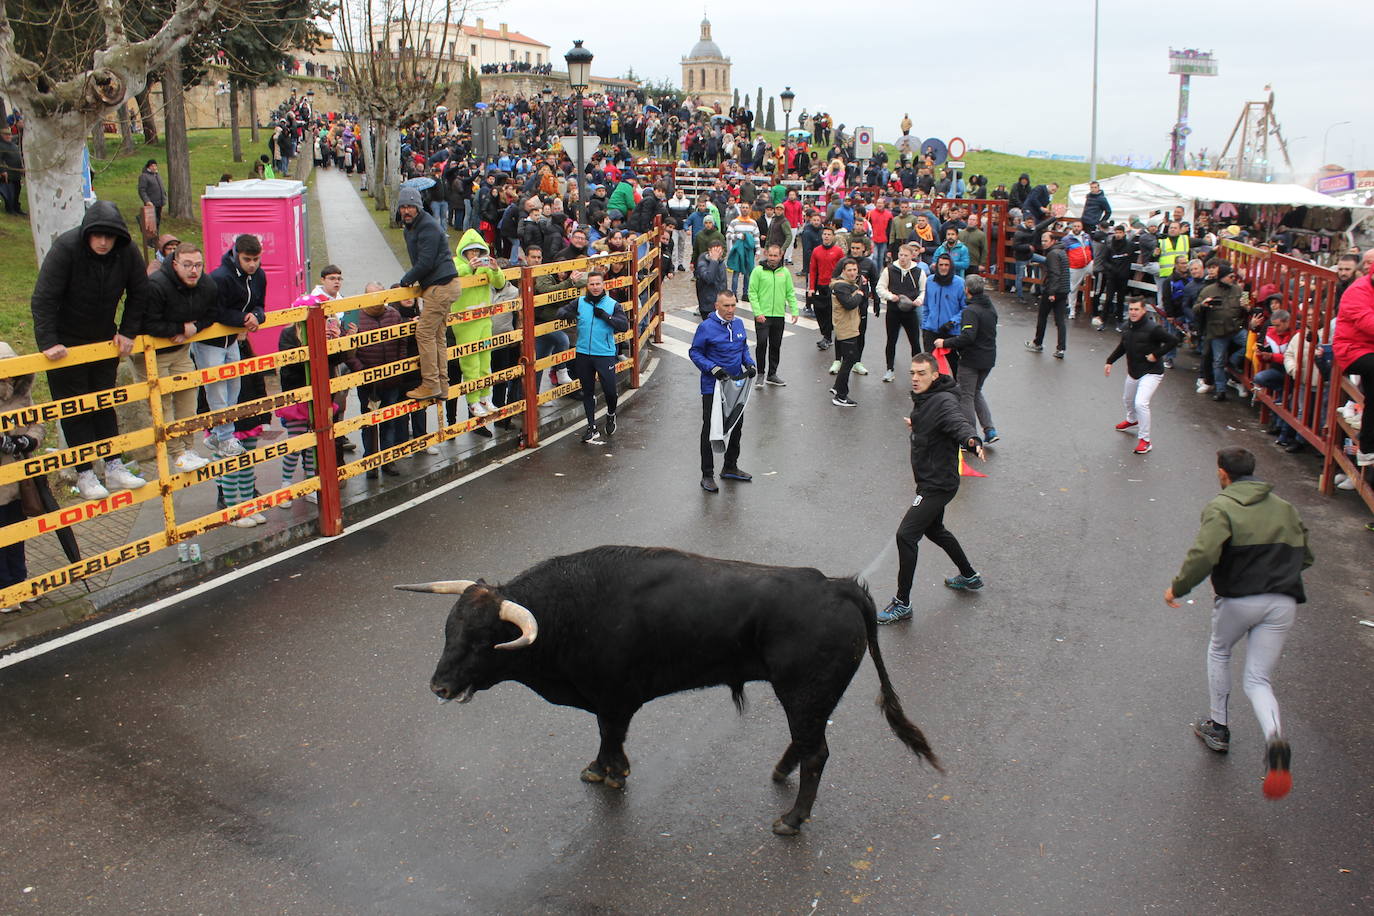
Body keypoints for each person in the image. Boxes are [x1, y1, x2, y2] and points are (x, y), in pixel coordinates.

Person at [1165, 446, 1311, 800]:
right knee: (1259, 679)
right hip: (1283, 601)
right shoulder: (1284, 508)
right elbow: (1306, 555)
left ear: (1222, 472)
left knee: (1220, 650)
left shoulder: (1222, 507)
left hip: (1240, 599)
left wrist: (1178, 588)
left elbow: (1204, 555)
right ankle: (1275, 739)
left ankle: (1218, 728)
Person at [30, 201, 149, 500]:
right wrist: (48, 341)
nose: (104, 241)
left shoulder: (127, 252)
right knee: (75, 408)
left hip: (102, 341)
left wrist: (127, 331)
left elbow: (140, 292)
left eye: (110, 236)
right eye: (98, 235)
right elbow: (43, 297)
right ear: (87, 233)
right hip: (65, 344)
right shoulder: (66, 248)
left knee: (103, 402)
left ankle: (113, 464)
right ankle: (84, 473)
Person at [879, 353, 986, 624]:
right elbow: (937, 425)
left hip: (937, 484)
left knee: (906, 535)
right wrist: (917, 425)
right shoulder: (927, 398)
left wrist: (972, 440)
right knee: (935, 530)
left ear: (935, 375)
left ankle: (902, 603)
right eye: (913, 373)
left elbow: (956, 422)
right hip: (933, 479)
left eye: (921, 373)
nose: (915, 378)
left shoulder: (943, 401)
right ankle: (969, 576)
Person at [137, 242, 219, 472]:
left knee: (188, 399)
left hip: (180, 350)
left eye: (198, 265)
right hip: (151, 354)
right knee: (162, 405)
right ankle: (177, 454)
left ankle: (188, 448)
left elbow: (212, 312)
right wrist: (178, 328)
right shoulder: (157, 285)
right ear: (174, 264)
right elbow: (146, 323)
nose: (194, 271)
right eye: (187, 265)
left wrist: (195, 327)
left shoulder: (206, 284)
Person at [395, 185, 461, 401]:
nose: (406, 211)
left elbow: (425, 261)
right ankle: (442, 385)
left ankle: (431, 384)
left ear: (418, 207)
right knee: (438, 335)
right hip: (441, 285)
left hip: (440, 286)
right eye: (403, 207)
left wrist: (406, 280)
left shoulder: (428, 227)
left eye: (410, 207)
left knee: (424, 333)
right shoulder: (413, 227)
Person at [689, 290, 755, 492]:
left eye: (734, 305)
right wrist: (713, 368)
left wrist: (749, 364)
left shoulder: (738, 324)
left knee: (736, 426)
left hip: (735, 386)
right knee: (711, 430)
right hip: (713, 387)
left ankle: (730, 467)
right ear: (717, 305)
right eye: (726, 306)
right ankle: (707, 474)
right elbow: (695, 352)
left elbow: (743, 347)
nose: (731, 310)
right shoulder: (706, 327)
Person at [557, 269, 628, 444]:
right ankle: (592, 427)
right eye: (592, 284)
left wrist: (605, 316)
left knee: (610, 391)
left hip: (604, 354)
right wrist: (569, 315)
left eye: (598, 283)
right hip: (583, 353)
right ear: (587, 286)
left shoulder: (612, 304)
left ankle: (611, 414)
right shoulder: (580, 302)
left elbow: (624, 325)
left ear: (603, 285)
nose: (595, 287)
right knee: (587, 391)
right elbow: (560, 312)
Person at [1104, 296, 1179, 455]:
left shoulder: (1153, 328)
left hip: (1152, 372)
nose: (1133, 312)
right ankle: (1132, 420)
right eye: (1131, 309)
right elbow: (1123, 346)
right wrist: (1110, 361)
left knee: (1140, 403)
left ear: (1144, 310)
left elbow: (1173, 340)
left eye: (1136, 309)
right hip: (1134, 371)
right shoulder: (1126, 327)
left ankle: (1145, 440)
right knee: (1128, 399)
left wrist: (1156, 354)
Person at [0, 341, 43, 612]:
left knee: (17, 531)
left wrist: (28, 440)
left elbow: (38, 421)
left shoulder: (22, 390)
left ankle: (20, 582)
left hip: (18, 477)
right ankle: (5, 590)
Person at [934, 275, 999, 443]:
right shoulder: (990, 307)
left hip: (972, 359)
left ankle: (970, 436)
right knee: (976, 392)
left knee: (966, 395)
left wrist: (945, 342)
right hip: (988, 357)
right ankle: (990, 430)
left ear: (967, 290)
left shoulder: (970, 311)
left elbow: (968, 337)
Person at [451, 230, 506, 419]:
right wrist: (468, 268)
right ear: (464, 251)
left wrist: (495, 268)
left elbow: (500, 283)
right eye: (470, 251)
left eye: (477, 251)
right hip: (465, 321)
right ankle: (472, 401)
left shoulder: (486, 265)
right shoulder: (455, 264)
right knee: (470, 363)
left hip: (484, 318)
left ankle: (485, 397)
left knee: (485, 361)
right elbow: (453, 280)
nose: (474, 255)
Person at [354, 282, 407, 478]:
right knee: (368, 424)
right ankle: (370, 462)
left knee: (389, 422)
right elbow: (349, 349)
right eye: (371, 295)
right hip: (368, 384)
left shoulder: (393, 314)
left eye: (379, 295)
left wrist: (399, 367)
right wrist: (361, 370)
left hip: (391, 381)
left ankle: (388, 460)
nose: (376, 299)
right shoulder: (356, 316)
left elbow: (402, 341)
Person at [1333, 259, 1374, 468]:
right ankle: (1366, 447)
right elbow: (1368, 323)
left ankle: (1367, 445)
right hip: (1352, 349)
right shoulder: (1358, 291)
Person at [748, 244, 798, 387]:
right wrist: (758, 313)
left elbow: (790, 292)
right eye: (770, 255)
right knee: (762, 343)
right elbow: (752, 293)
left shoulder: (785, 272)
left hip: (778, 315)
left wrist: (794, 310)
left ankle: (772, 374)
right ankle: (761, 373)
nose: (773, 258)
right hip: (762, 315)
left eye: (776, 256)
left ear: (781, 255)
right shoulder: (758, 271)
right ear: (766, 254)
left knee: (776, 345)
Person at [1194, 262, 1244, 401]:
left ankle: (1233, 361)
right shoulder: (1208, 290)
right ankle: (1220, 390)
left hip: (1235, 329)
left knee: (1249, 345)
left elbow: (1246, 306)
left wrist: (1246, 306)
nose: (1232, 279)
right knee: (1218, 361)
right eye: (1230, 276)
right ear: (1222, 277)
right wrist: (1203, 305)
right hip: (1217, 332)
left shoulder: (1238, 290)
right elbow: (1195, 309)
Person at [877, 243, 925, 383]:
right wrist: (891, 296)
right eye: (901, 255)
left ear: (912, 256)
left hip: (910, 311)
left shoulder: (918, 272)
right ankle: (889, 369)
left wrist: (919, 300)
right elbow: (880, 288)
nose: (903, 258)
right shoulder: (889, 270)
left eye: (906, 255)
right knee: (891, 340)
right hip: (893, 311)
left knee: (915, 342)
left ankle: (917, 371)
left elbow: (923, 290)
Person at [1025, 231, 1070, 358]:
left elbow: (1055, 274)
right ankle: (1061, 349)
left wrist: (1051, 292)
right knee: (1060, 320)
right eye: (1042, 241)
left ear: (1053, 241)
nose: (1043, 243)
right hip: (1064, 290)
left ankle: (1037, 343)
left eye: (1046, 241)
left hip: (1053, 290)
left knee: (1042, 317)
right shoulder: (1062, 251)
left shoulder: (1052, 254)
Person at [829, 258, 867, 407]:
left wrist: (859, 290)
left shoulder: (850, 285)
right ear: (843, 271)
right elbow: (850, 304)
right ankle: (841, 396)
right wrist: (860, 293)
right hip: (846, 328)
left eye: (854, 270)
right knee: (849, 360)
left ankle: (837, 387)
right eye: (849, 270)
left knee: (849, 359)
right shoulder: (841, 287)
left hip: (850, 326)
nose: (852, 273)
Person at [920, 254, 966, 375]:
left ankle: (958, 388)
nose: (943, 268)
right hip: (931, 329)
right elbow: (926, 305)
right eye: (941, 265)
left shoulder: (960, 283)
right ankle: (932, 390)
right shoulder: (930, 281)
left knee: (954, 363)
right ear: (936, 266)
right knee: (930, 364)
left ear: (951, 266)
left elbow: (966, 308)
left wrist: (952, 322)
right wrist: (924, 326)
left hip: (951, 331)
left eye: (946, 265)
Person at [808, 225, 844, 350]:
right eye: (825, 234)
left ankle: (827, 338)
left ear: (833, 237)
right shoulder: (816, 251)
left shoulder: (838, 251)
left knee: (829, 312)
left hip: (833, 286)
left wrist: (840, 284)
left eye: (829, 234)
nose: (826, 236)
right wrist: (811, 288)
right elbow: (812, 270)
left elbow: (842, 269)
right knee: (819, 312)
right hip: (820, 285)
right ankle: (826, 334)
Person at [694, 239, 728, 321]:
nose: (718, 253)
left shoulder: (721, 263)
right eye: (715, 251)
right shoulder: (703, 263)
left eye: (720, 250)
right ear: (709, 250)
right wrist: (714, 261)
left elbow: (723, 283)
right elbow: (709, 279)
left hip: (720, 304)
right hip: (708, 306)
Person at [0, 126, 25, 215]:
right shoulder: (1, 145)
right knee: (10, 192)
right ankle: (10, 209)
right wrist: (2, 170)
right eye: (6, 135)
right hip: (8, 174)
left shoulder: (14, 145)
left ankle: (17, 208)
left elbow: (19, 157)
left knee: (17, 191)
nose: (8, 136)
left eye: (9, 134)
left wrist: (22, 166)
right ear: (1, 135)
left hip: (16, 173)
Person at [138, 159, 166, 231]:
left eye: (155, 166)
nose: (154, 167)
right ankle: (150, 240)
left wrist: (164, 198)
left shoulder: (157, 175)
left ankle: (156, 238)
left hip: (159, 203)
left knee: (157, 223)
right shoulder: (144, 176)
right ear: (148, 167)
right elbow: (142, 190)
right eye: (152, 166)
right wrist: (147, 201)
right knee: (151, 225)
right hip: (151, 204)